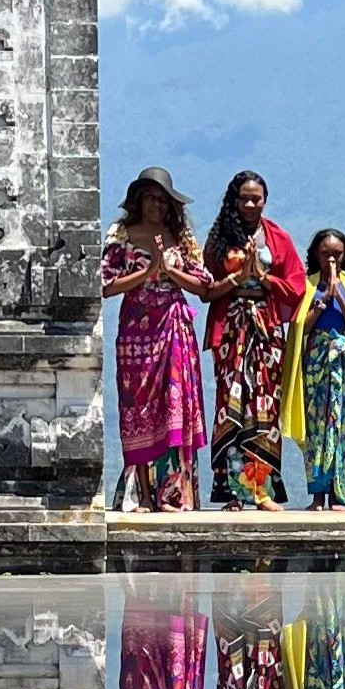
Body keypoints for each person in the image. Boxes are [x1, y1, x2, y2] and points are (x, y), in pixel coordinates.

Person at [100, 168, 210, 511]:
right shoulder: (121, 235)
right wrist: (147, 272)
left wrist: (170, 271)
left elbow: (203, 285)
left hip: (174, 325)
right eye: (150, 197)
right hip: (137, 330)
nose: (157, 205)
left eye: (163, 200)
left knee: (174, 404)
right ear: (138, 200)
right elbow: (106, 285)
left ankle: (174, 493)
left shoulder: (181, 237)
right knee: (138, 406)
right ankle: (143, 493)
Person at [202, 171, 306, 510]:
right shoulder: (220, 238)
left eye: (256, 198)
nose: (250, 204)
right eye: (244, 198)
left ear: (265, 200)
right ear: (234, 200)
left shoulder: (277, 238)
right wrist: (238, 277)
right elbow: (205, 285)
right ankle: (234, 493)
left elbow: (297, 286)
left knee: (264, 408)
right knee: (230, 407)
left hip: (265, 331)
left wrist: (263, 278)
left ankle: (261, 491)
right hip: (231, 331)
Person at [280, 228, 345, 512]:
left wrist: (338, 294)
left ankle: (340, 494)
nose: (331, 260)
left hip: (342, 362)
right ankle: (318, 495)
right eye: (325, 254)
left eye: (337, 254)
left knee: (342, 426)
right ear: (315, 255)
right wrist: (323, 298)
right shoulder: (307, 286)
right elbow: (301, 328)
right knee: (317, 428)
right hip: (316, 364)